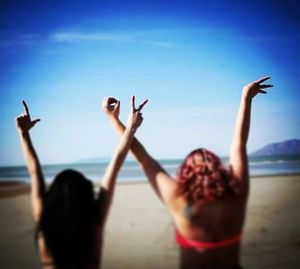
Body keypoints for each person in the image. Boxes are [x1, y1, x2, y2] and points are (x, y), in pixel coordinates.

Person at [102, 77, 273, 269]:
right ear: (218, 169)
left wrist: (115, 120)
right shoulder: (236, 194)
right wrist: (246, 98)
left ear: (186, 173)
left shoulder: (178, 200)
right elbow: (239, 144)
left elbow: (143, 159)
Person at [15, 96, 147, 269]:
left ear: (52, 197)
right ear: (86, 195)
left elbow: (33, 172)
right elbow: (115, 165)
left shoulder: (45, 224)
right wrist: (130, 127)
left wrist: (23, 134)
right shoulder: (94, 223)